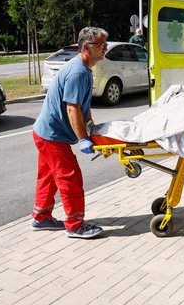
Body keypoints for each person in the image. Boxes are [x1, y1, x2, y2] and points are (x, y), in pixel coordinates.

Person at [30, 27, 108, 239]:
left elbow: (83, 105)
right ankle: (75, 225)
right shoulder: (78, 71)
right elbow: (72, 108)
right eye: (100, 45)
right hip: (52, 136)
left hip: (46, 134)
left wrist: (91, 125)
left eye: (105, 44)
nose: (105, 48)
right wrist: (83, 139)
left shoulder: (85, 69)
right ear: (85, 47)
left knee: (48, 177)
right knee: (69, 178)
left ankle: (41, 217)